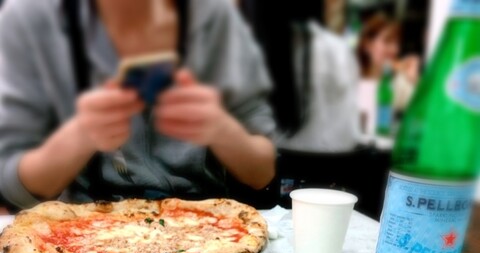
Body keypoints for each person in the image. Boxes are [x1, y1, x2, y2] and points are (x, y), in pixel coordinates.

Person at [0, 0, 276, 211]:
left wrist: (220, 129)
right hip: (82, 232)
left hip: (206, 228)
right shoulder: (31, 17)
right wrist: (80, 136)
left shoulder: (214, 15)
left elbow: (263, 172)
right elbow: (12, 186)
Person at [240, 0, 360, 153]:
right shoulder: (337, 51)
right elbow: (349, 134)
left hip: (270, 163)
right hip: (336, 163)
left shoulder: (247, 55)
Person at [356, 12, 420, 118]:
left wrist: (414, 80)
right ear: (367, 45)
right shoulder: (351, 80)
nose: (394, 49)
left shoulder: (399, 83)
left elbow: (423, 111)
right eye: (387, 42)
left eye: (397, 43)